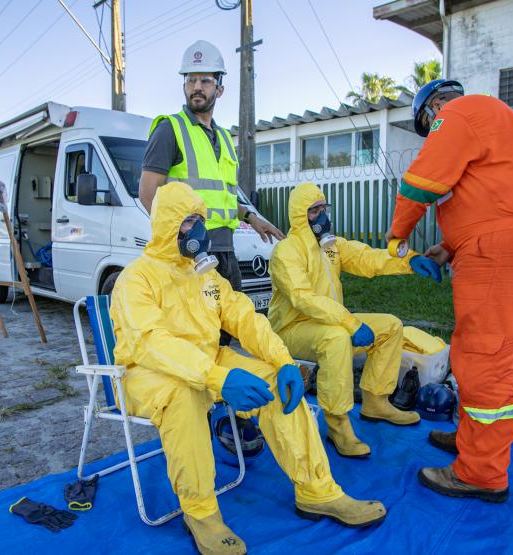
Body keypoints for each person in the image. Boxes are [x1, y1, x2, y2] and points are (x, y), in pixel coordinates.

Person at [111, 182, 386, 554]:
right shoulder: (136, 278)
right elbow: (150, 343)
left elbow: (244, 318)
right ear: (167, 224)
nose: (200, 231)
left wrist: (283, 360)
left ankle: (317, 490)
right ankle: (201, 513)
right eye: (190, 221)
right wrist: (217, 376)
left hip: (208, 363)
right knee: (183, 394)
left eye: (201, 220)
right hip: (147, 373)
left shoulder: (206, 275)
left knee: (276, 382)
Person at [386, 79, 513, 502]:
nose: (432, 126)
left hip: (506, 248)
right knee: (501, 356)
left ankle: (481, 473)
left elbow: (421, 181)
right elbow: (501, 197)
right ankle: (475, 443)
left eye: (426, 122)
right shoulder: (504, 122)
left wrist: (397, 236)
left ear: (433, 106)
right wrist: (450, 246)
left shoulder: (457, 113)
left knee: (481, 357)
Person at [267, 182, 442, 459]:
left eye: (324, 209)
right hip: (291, 329)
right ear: (300, 215)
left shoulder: (330, 247)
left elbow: (366, 258)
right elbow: (303, 299)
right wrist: (350, 324)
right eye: (314, 211)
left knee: (391, 326)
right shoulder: (287, 251)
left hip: (331, 323)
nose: (322, 216)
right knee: (336, 340)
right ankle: (337, 423)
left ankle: (376, 400)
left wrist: (409, 261)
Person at [138, 40, 284, 347]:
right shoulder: (170, 129)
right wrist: (181, 242)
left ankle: (219, 393)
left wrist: (252, 217)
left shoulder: (224, 139)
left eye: (205, 80)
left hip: (225, 251)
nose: (196, 87)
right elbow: (148, 194)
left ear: (219, 88)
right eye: (190, 80)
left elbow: (227, 194)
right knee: (197, 337)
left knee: (226, 333)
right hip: (190, 254)